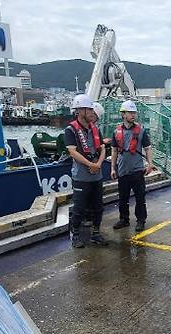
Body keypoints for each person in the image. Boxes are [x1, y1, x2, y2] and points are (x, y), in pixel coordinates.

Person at [64, 94, 107, 248]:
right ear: (80, 110)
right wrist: (90, 163)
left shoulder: (95, 129)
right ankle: (75, 235)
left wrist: (99, 163)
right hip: (81, 177)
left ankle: (96, 233)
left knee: (98, 206)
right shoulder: (71, 130)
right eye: (89, 109)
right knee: (79, 208)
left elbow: (102, 148)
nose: (92, 112)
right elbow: (73, 152)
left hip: (97, 176)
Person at [111, 100, 154, 232]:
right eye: (130, 112)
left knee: (140, 197)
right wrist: (113, 168)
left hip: (137, 170)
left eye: (134, 112)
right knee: (123, 198)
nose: (133, 115)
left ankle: (141, 220)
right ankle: (124, 219)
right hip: (123, 171)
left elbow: (147, 149)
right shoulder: (116, 131)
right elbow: (114, 150)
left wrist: (150, 165)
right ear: (123, 114)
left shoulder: (141, 131)